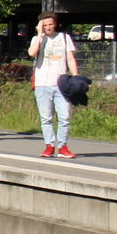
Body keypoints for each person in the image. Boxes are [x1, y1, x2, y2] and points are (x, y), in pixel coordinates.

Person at [28, 12, 79, 159]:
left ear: (55, 24)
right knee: (46, 117)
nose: (48, 27)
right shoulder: (37, 39)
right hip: (42, 83)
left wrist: (75, 77)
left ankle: (62, 146)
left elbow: (70, 59)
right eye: (45, 25)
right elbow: (32, 53)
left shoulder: (64, 38)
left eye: (50, 24)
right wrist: (39, 35)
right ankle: (49, 145)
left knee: (64, 116)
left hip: (61, 83)